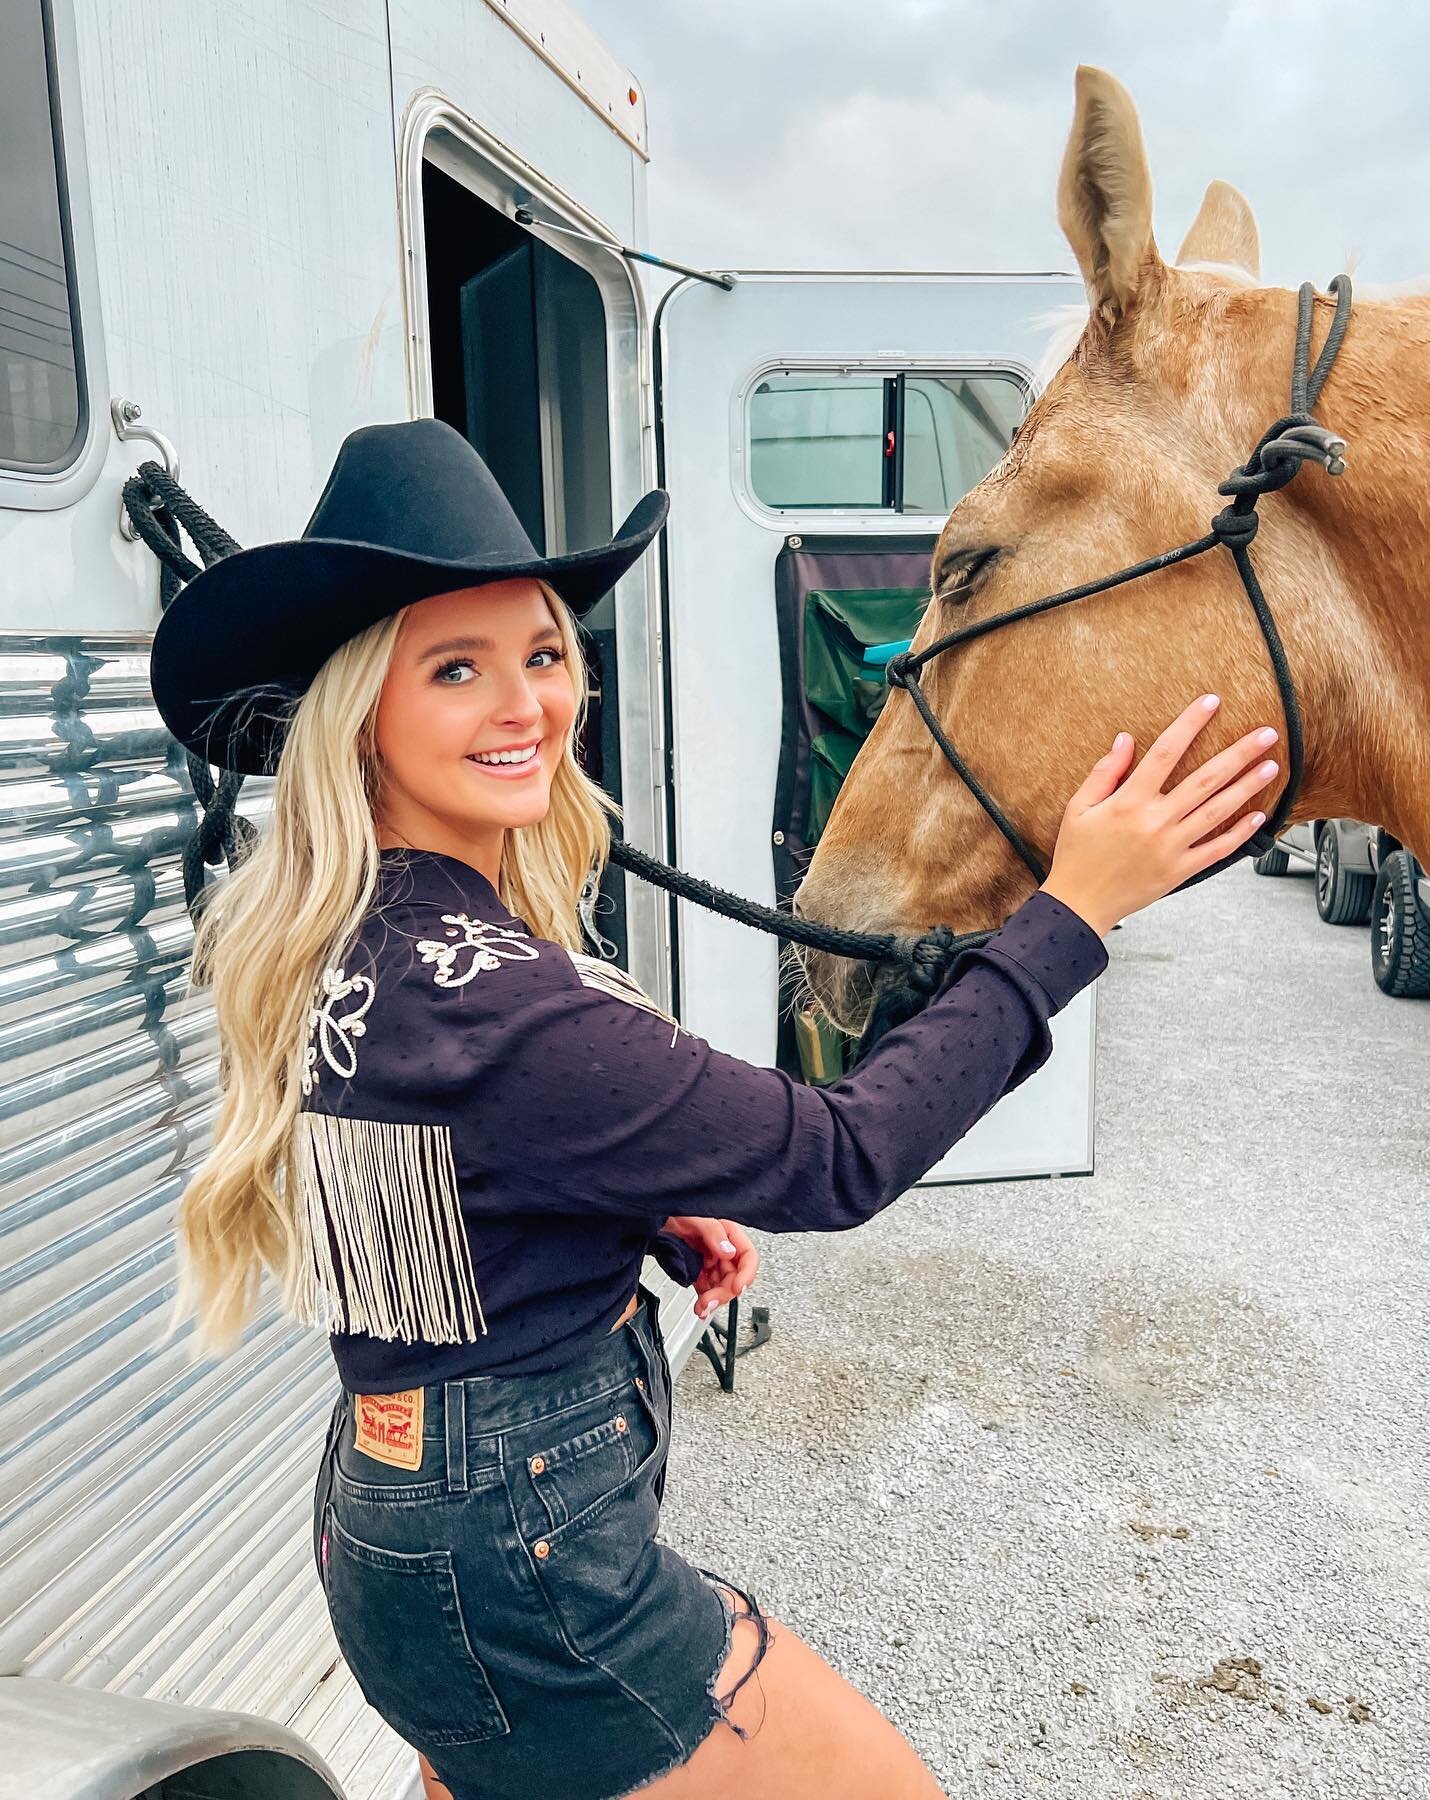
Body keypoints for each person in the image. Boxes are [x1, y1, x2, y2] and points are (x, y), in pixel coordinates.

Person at [149, 419, 1282, 1800]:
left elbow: (429, 1181)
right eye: (457, 670)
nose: (528, 707)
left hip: (396, 1528)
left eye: (545, 654)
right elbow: (841, 1156)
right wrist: (1072, 912)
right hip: (522, 1569)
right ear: (360, 717)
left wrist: (621, 1201)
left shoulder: (352, 937)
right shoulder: (502, 1000)